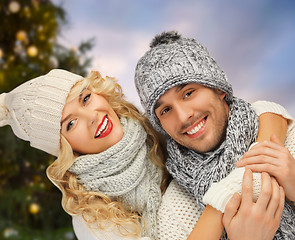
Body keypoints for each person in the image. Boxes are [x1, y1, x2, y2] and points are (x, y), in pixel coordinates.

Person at [0, 69, 286, 240]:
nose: (92, 117)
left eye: (86, 98)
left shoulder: (150, 129)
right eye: (70, 123)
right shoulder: (93, 219)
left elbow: (257, 113)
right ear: (62, 147)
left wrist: (245, 175)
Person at [134, 31, 295, 239]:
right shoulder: (174, 212)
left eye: (188, 93)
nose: (183, 117)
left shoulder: (287, 142)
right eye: (165, 110)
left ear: (219, 89)